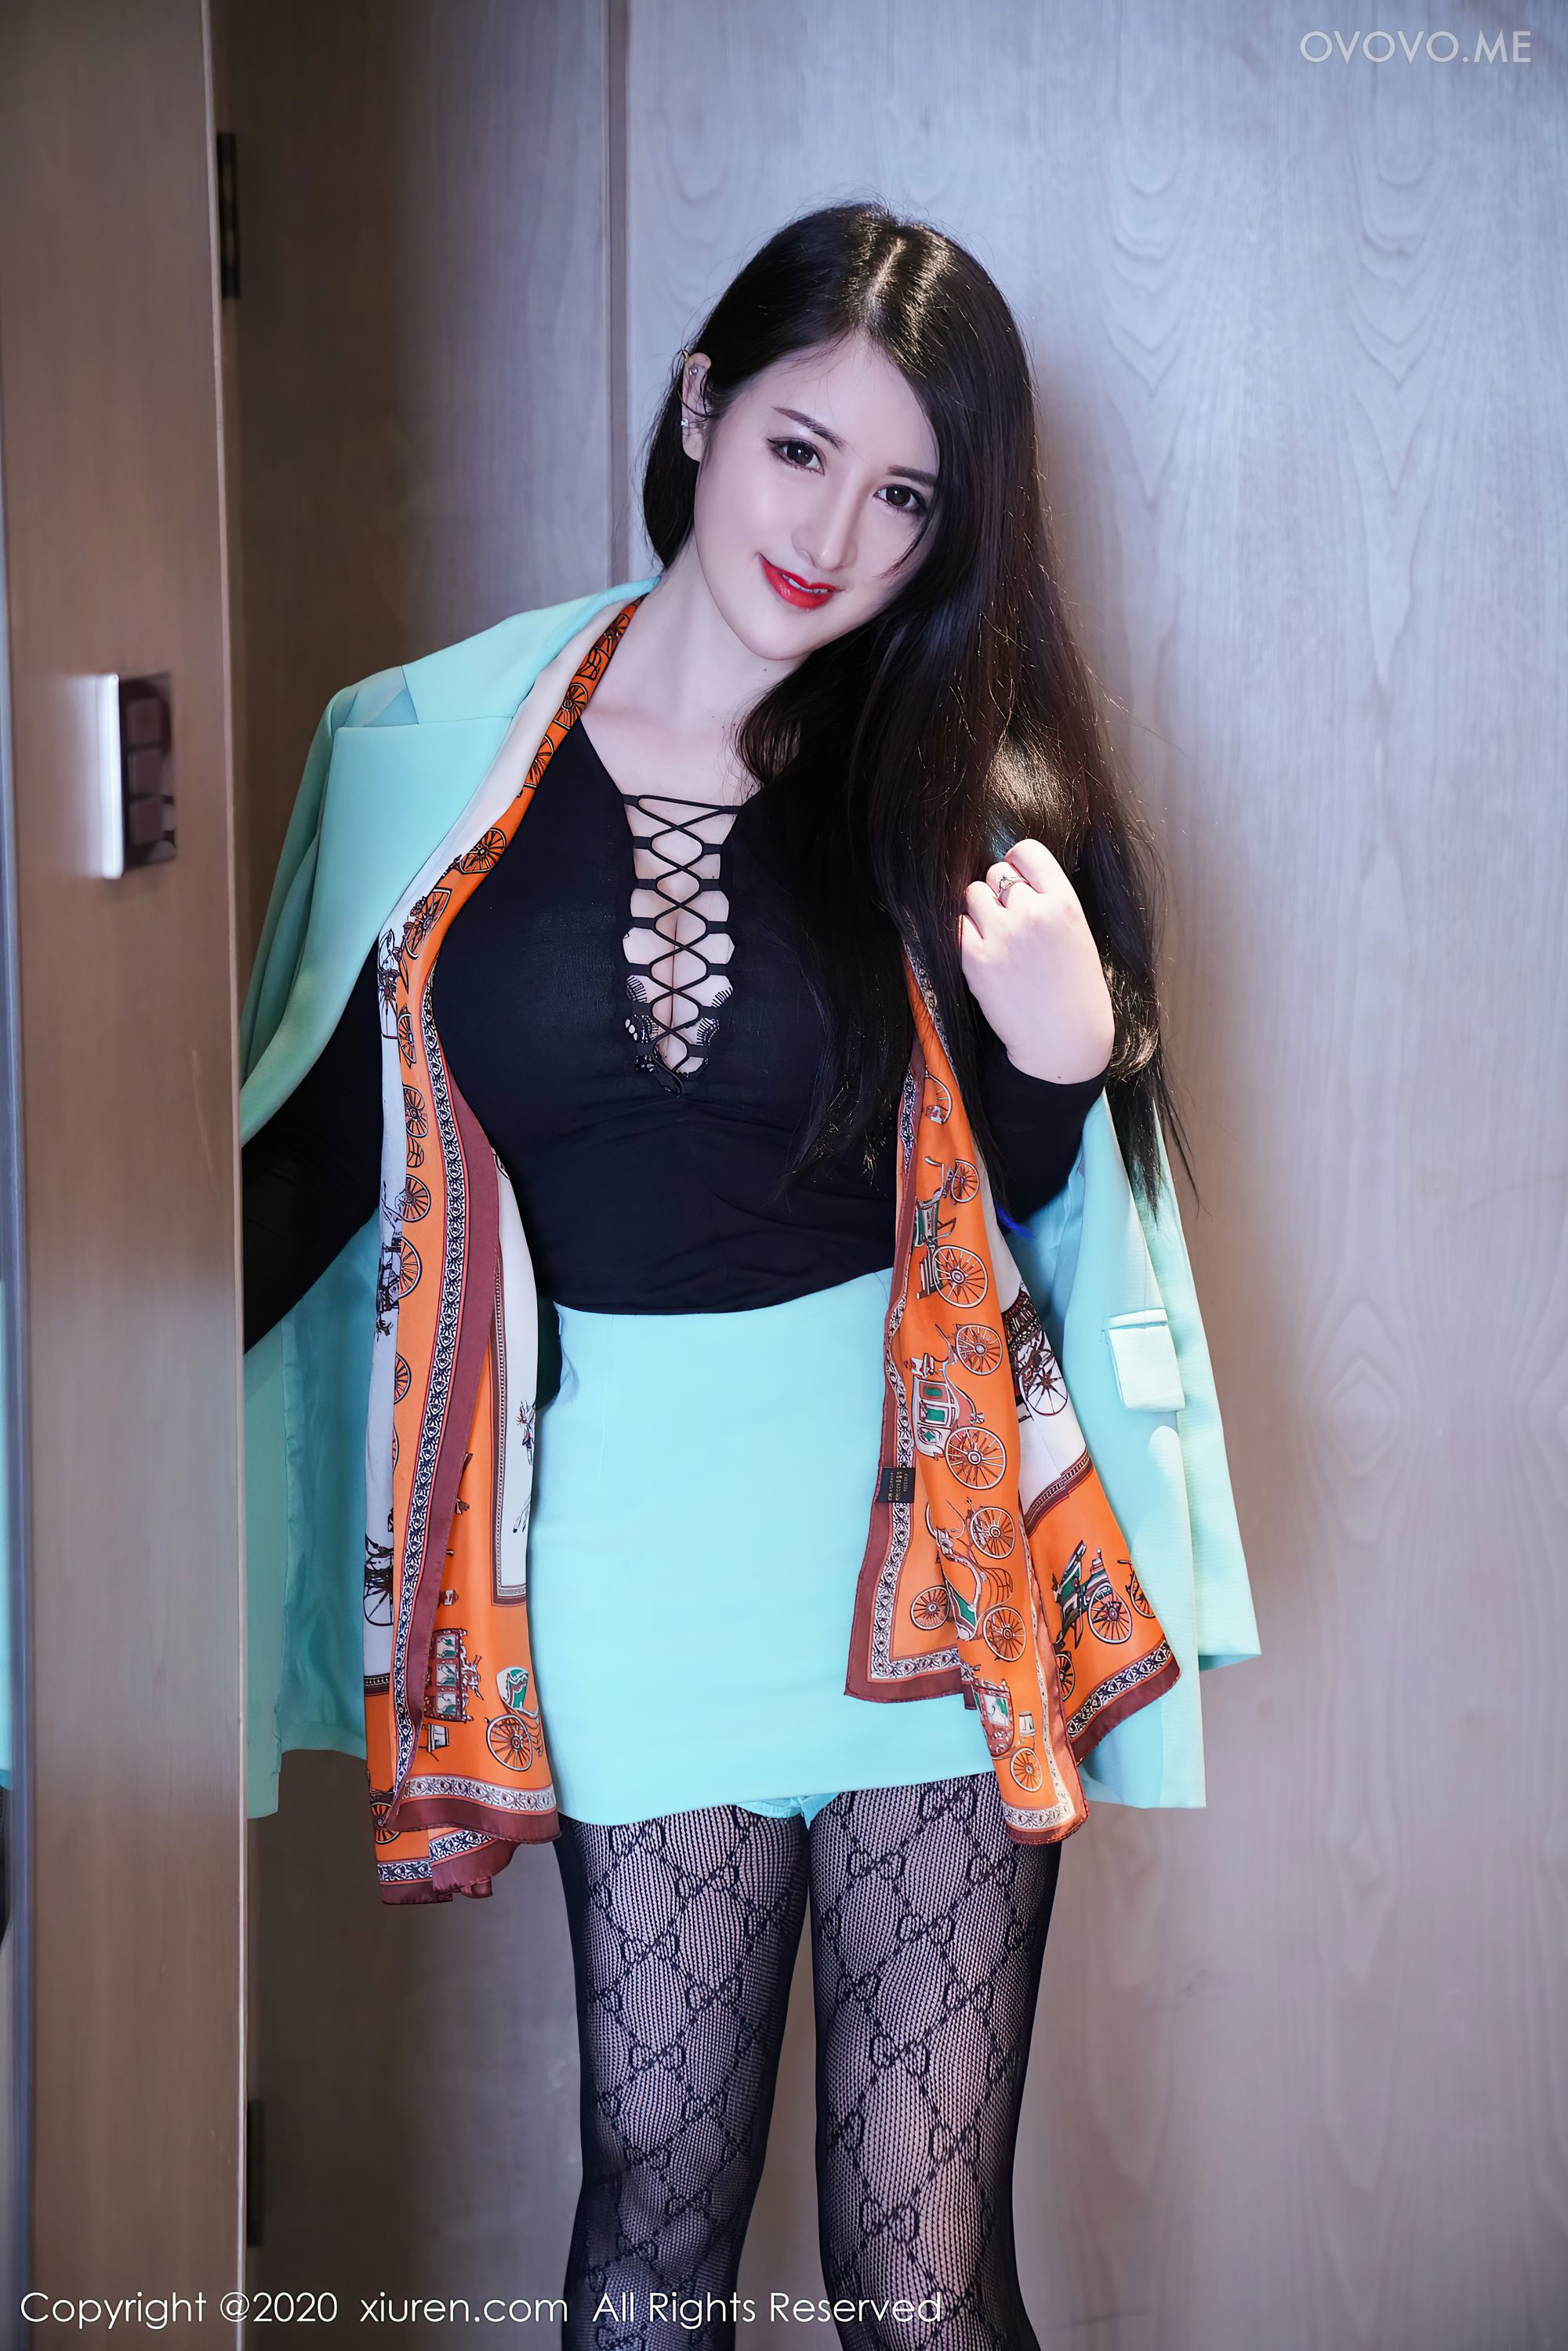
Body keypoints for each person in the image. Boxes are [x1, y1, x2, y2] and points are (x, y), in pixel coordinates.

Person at [242, 203, 1252, 2351]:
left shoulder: (965, 794)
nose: (833, 535)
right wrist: (61, 1454)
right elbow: (308, 1170)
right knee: (651, 2225)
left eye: (906, 496)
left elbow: (1027, 1211)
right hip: (625, 1587)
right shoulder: (437, 757)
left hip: (929, 1575)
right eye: (802, 449)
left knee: (921, 2270)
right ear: (701, 406)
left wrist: (1069, 1054)